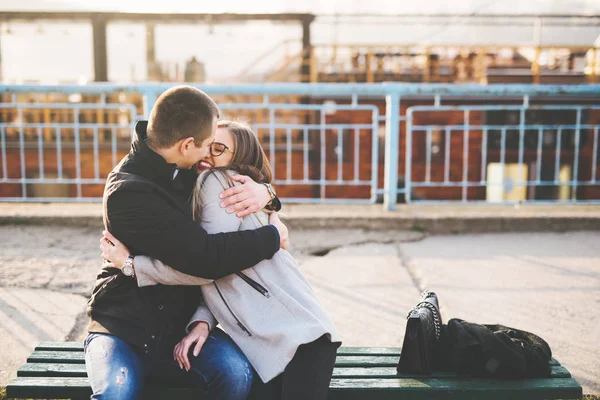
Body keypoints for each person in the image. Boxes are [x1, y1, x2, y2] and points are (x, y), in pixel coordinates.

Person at [100, 120, 342, 400]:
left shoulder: (217, 182)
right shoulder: (222, 189)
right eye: (207, 145)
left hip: (296, 337)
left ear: (237, 159)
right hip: (272, 341)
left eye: (219, 148)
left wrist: (133, 265)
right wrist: (202, 321)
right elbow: (221, 274)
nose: (207, 154)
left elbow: (208, 265)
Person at [86, 86, 289, 400]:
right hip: (122, 328)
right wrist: (273, 237)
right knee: (116, 391)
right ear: (186, 144)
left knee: (235, 374)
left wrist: (269, 196)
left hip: (181, 326)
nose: (208, 154)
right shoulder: (129, 193)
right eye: (206, 145)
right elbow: (206, 260)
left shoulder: (187, 168)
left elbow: (244, 173)